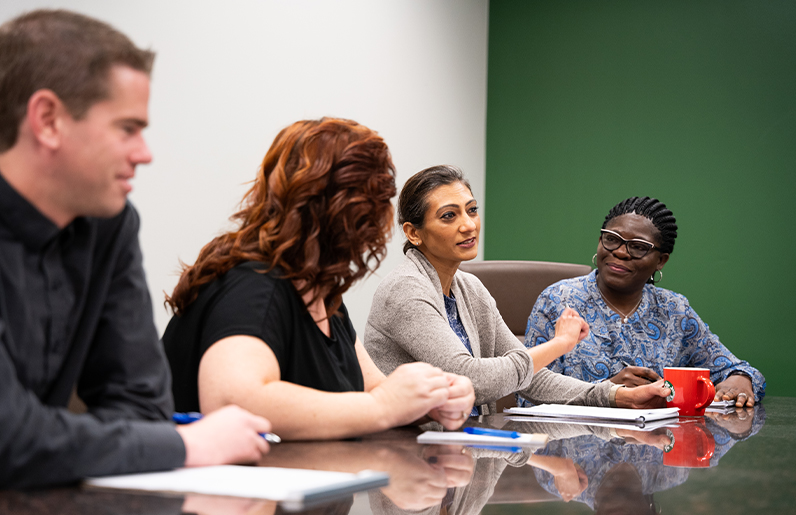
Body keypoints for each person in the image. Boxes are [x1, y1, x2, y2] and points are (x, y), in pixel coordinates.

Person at [0, 10, 272, 488]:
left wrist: (59, 443)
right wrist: (187, 445)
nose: (144, 153)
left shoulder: (109, 224)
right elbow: (9, 437)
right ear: (47, 120)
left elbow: (142, 407)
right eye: (127, 128)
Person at [162, 118, 475, 440]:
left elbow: (375, 390)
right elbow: (234, 400)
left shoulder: (324, 294)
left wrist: (431, 400)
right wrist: (383, 406)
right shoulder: (253, 285)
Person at [364, 165, 669, 414]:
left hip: (465, 449)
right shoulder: (405, 289)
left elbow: (528, 378)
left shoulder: (469, 287)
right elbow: (470, 379)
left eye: (471, 210)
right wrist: (560, 344)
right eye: (449, 215)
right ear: (413, 233)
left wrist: (615, 396)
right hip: (410, 459)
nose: (469, 225)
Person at [523, 196, 765, 408]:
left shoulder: (674, 311)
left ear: (661, 261)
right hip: (575, 452)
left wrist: (739, 379)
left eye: (638, 247)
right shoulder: (558, 301)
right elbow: (527, 393)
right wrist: (608, 391)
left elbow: (734, 368)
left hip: (656, 447)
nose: (620, 252)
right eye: (612, 239)